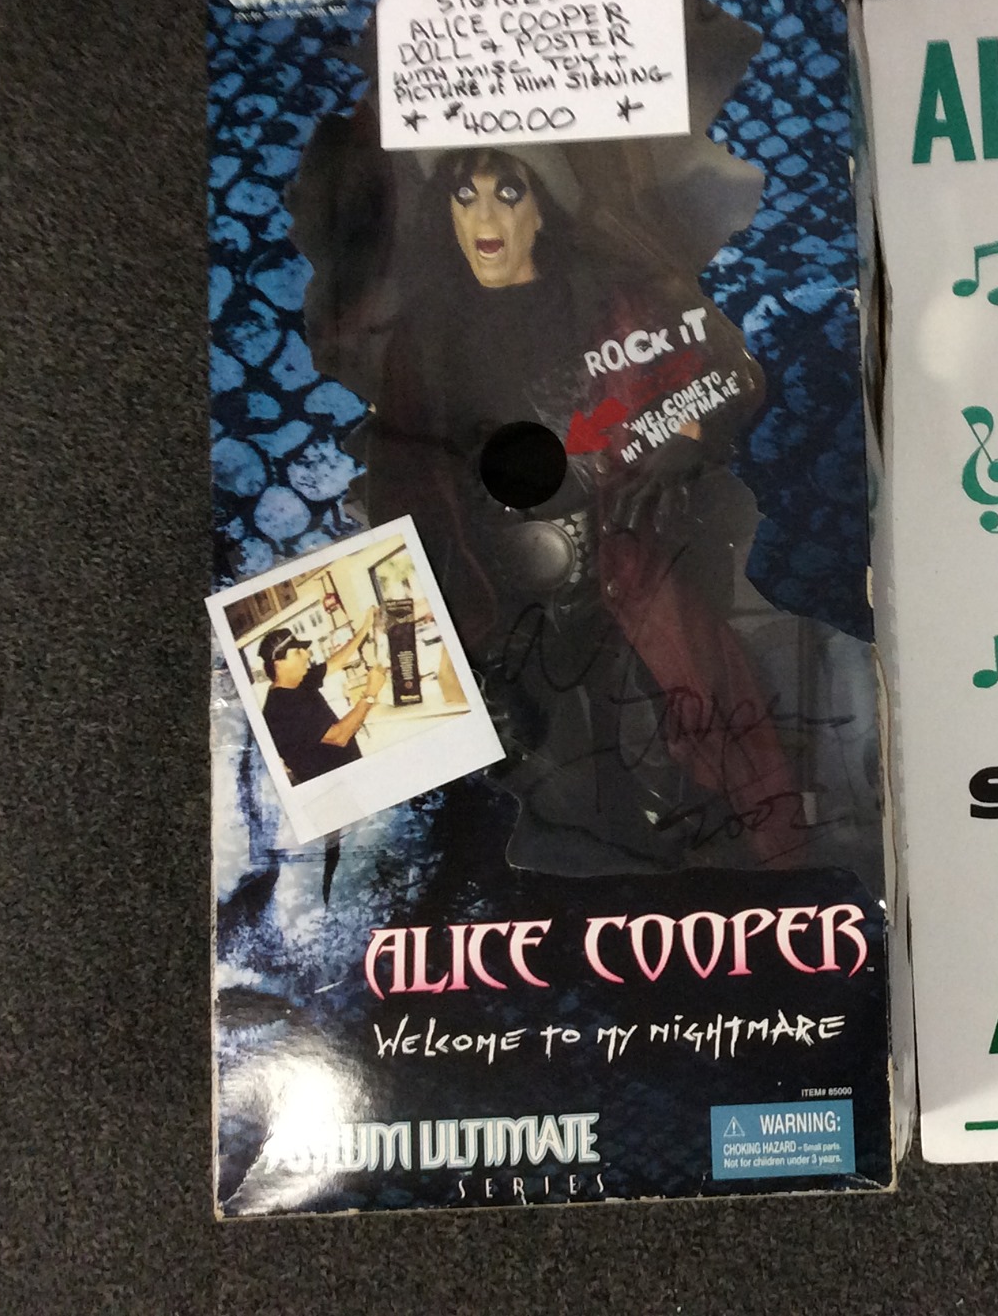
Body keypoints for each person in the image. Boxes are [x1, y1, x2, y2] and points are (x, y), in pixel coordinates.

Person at [342, 142, 803, 871]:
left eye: (508, 193)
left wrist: (687, 435)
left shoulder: (610, 304)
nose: (486, 217)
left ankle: (749, 859)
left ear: (542, 211)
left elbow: (719, 372)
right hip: (483, 580)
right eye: (466, 196)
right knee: (508, 774)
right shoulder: (424, 338)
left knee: (691, 703)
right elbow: (402, 477)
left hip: (620, 554)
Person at [257, 607, 386, 784]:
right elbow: (339, 737)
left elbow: (335, 662)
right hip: (334, 788)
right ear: (278, 664)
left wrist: (365, 628)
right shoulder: (281, 709)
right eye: (297, 652)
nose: (306, 654)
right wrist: (370, 693)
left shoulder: (298, 682)